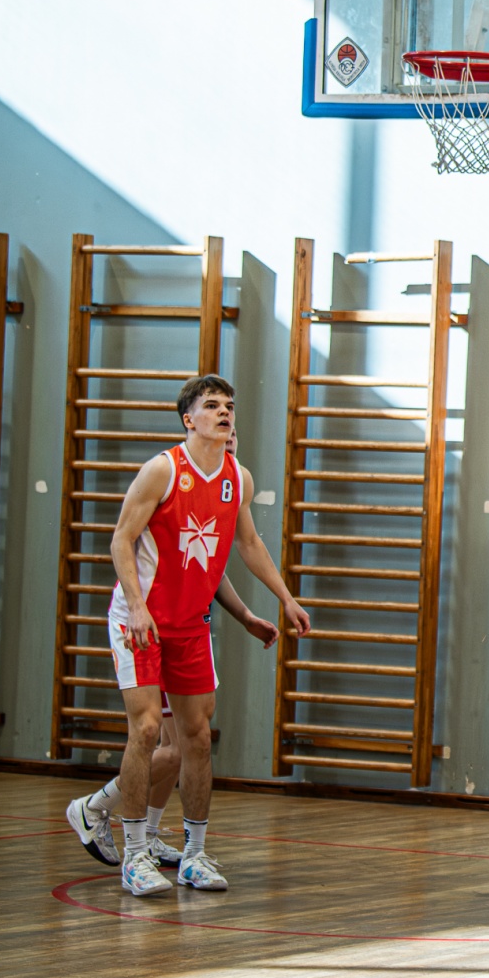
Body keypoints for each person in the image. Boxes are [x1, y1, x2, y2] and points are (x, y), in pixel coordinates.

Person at [97, 376, 309, 896]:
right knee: (147, 730)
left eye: (228, 405)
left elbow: (249, 544)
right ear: (188, 419)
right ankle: (135, 855)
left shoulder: (238, 477)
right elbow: (121, 540)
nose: (224, 412)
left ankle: (194, 854)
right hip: (140, 619)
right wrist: (138, 607)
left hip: (191, 624)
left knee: (195, 738)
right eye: (211, 405)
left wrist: (284, 598)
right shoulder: (162, 470)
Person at [65, 578, 279, 868]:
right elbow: (127, 554)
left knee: (176, 746)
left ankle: (147, 834)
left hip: (189, 625)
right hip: (157, 625)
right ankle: (95, 806)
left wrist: (248, 615)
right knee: (176, 749)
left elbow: (212, 568)